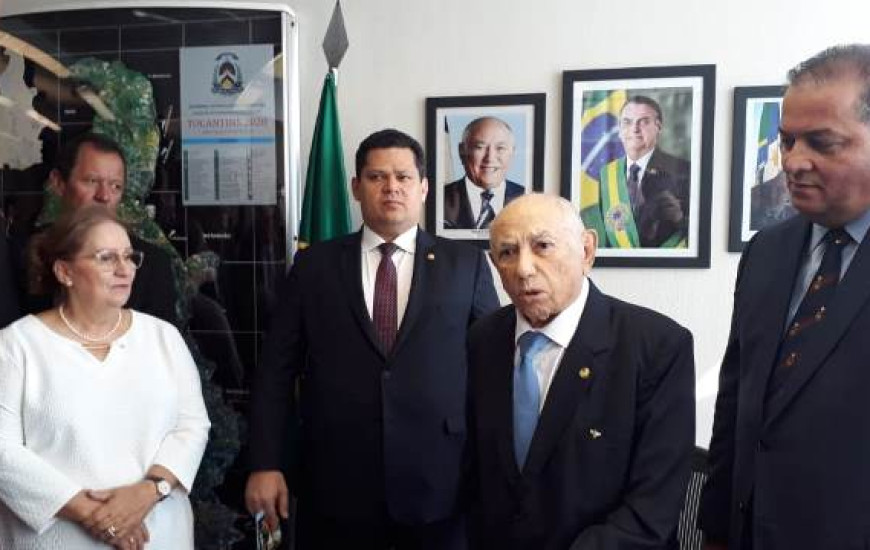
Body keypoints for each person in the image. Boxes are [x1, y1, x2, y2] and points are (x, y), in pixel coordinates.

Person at [245, 129, 500, 549]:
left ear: (423, 188)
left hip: (441, 485)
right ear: (356, 187)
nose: (391, 187)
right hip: (336, 485)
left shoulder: (466, 265)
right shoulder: (314, 267)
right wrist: (265, 462)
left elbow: (493, 369)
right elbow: (276, 371)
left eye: (403, 177)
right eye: (377, 177)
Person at [699, 44, 870, 550]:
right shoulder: (766, 252)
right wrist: (715, 530)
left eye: (822, 142)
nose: (793, 161)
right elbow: (735, 401)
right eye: (787, 140)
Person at [467, 193, 695, 548]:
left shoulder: (657, 346)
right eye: (507, 252)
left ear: (586, 251)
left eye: (542, 246)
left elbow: (653, 508)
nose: (523, 269)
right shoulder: (483, 338)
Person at [0, 205, 210, 549]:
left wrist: (149, 492)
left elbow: (193, 426)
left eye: (129, 257)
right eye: (106, 258)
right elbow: (3, 451)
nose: (124, 269)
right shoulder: (16, 346)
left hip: (159, 532)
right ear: (65, 271)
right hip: (59, 539)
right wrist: (98, 515)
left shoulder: (163, 337)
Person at [15, 133, 178, 325]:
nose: (104, 196)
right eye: (91, 181)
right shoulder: (20, 255)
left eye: (115, 186)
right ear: (58, 183)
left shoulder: (153, 265)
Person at [584, 95, 690, 248]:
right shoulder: (607, 173)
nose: (635, 129)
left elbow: (698, 232)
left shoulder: (683, 170)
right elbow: (607, 232)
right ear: (619, 130)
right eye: (627, 122)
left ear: (658, 127)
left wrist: (679, 219)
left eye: (644, 122)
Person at [444, 117, 524, 230]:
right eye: (480, 147)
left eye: (500, 148)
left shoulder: (527, 199)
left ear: (512, 153)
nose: (490, 158)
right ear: (462, 151)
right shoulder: (440, 199)